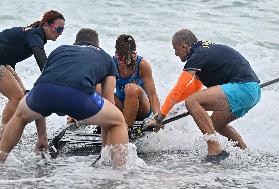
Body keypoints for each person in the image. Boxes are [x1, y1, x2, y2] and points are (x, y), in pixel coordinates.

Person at [0, 28, 129, 167]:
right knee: (117, 121)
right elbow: (108, 102)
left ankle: (1, 156)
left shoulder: (60, 50)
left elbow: (42, 84)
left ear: (75, 43)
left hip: (43, 92)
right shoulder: (106, 58)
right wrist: (105, 150)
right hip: (78, 96)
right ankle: (119, 170)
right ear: (97, 45)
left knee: (20, 116)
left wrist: (42, 136)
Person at [147, 29, 261, 162]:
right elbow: (194, 87)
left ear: (184, 46)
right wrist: (171, 110)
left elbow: (180, 87)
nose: (175, 54)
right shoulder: (204, 52)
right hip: (254, 91)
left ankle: (215, 149)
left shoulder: (198, 56)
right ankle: (246, 154)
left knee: (192, 102)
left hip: (243, 88)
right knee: (215, 124)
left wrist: (160, 116)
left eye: (176, 49)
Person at [0, 10, 65, 139]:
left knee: (23, 96)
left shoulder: (33, 34)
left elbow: (9, 51)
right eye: (58, 29)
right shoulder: (36, 34)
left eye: (62, 30)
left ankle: (8, 131)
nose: (60, 33)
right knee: (17, 97)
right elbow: (43, 63)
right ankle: (3, 135)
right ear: (46, 25)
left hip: (3, 61)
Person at [113, 34, 160, 128]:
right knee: (98, 87)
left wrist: (157, 118)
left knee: (130, 88)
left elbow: (152, 94)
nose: (121, 63)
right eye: (119, 59)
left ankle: (126, 129)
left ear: (134, 55)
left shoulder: (142, 65)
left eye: (124, 59)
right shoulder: (112, 63)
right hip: (122, 106)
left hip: (141, 109)